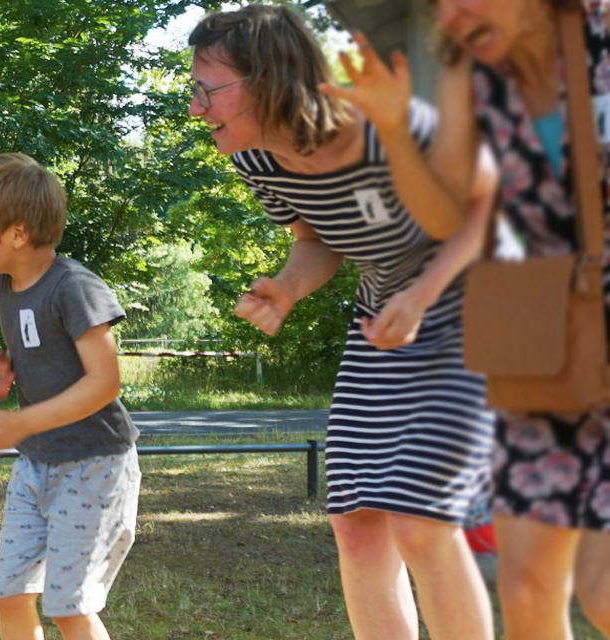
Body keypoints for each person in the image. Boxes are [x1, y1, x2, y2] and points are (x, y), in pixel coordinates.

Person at [186, 6, 500, 639]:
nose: (196, 109)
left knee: (421, 520)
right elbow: (316, 240)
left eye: (208, 90)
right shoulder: (258, 159)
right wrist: (287, 287)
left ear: (271, 78)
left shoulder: (382, 123)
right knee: (356, 521)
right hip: (384, 319)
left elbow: (488, 204)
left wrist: (425, 294)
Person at [350, 0, 610, 635]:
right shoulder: (475, 69)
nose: (449, 11)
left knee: (602, 585)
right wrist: (391, 127)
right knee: (528, 588)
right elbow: (450, 216)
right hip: (539, 329)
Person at [0, 153, 138, 640]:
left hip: (95, 464)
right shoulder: (3, 285)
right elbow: (29, 342)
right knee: (9, 591)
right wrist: (5, 369)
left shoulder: (74, 288)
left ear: (16, 234)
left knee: (68, 605)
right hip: (37, 464)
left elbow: (105, 383)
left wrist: (21, 424)